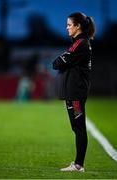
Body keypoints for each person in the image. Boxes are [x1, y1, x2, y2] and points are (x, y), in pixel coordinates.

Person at [52, 12, 95, 172]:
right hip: (75, 93)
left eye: (69, 25)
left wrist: (61, 62)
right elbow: (61, 62)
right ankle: (78, 164)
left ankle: (78, 165)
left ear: (78, 26)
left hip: (75, 94)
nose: (67, 28)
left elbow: (57, 63)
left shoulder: (80, 44)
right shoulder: (81, 42)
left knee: (78, 128)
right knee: (77, 127)